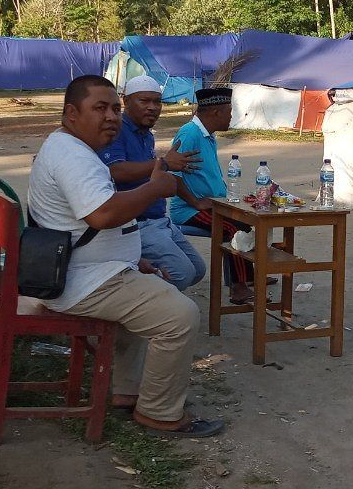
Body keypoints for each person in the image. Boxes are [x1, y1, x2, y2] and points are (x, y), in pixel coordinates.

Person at [27, 75, 224, 437]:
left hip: (86, 268)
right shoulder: (72, 156)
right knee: (180, 316)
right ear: (71, 113)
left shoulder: (72, 148)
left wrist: (132, 260)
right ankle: (159, 413)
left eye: (114, 109)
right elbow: (102, 214)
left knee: (153, 288)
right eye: (99, 109)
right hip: (82, 279)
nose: (111, 117)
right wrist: (154, 188)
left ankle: (127, 393)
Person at [101, 75, 206, 292]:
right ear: (125, 101)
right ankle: (130, 298)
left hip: (159, 219)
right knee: (182, 274)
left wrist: (195, 202)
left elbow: (157, 171)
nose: (152, 108)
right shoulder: (117, 130)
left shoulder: (146, 135)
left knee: (197, 270)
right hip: (137, 223)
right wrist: (165, 163)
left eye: (157, 102)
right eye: (144, 101)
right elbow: (115, 171)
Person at [168, 86, 256, 305]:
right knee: (231, 229)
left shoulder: (208, 136)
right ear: (217, 113)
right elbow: (174, 175)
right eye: (229, 112)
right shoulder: (190, 134)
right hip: (187, 209)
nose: (231, 117)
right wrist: (195, 202)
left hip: (212, 204)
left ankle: (248, 278)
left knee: (245, 223)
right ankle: (239, 287)